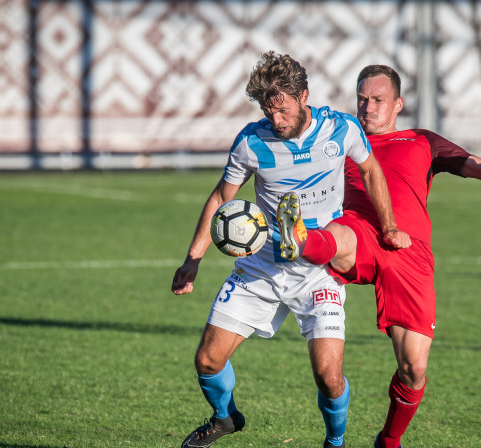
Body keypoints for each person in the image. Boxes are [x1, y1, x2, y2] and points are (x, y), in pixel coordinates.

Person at [279, 65, 481, 448]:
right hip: (361, 230)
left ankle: (389, 441)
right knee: (338, 236)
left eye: (377, 100)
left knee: (414, 368)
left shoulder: (422, 140)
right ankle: (300, 239)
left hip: (409, 251)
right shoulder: (342, 138)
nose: (368, 107)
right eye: (362, 99)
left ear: (398, 104)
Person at [171, 51, 409, 448]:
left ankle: (335, 442)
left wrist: (389, 227)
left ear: (304, 97)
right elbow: (220, 198)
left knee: (329, 376)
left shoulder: (341, 130)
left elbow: (370, 170)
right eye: (269, 110)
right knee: (207, 361)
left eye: (282, 109)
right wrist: (192, 260)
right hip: (262, 267)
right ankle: (224, 417)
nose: (276, 119)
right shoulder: (251, 141)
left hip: (319, 269)